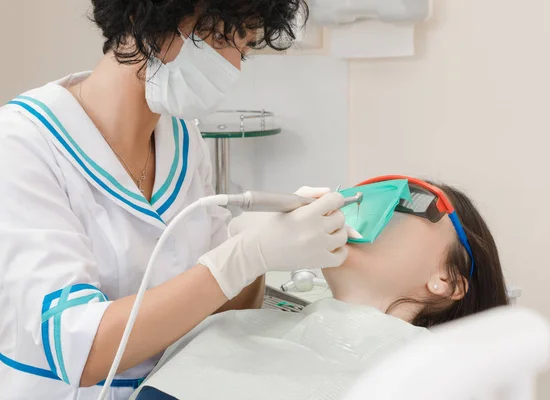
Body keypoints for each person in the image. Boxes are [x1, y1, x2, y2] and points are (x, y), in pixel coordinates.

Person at [0, 1, 352, 399]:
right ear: (140, 16)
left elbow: (224, 316)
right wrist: (242, 257)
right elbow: (80, 350)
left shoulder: (184, 140)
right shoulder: (22, 144)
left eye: (243, 46)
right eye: (219, 36)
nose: (232, 65)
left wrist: (259, 248)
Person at [131, 177, 510, 400]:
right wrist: (244, 250)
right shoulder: (233, 328)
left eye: (409, 200)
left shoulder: (437, 378)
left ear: (447, 281)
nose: (366, 205)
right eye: (361, 193)